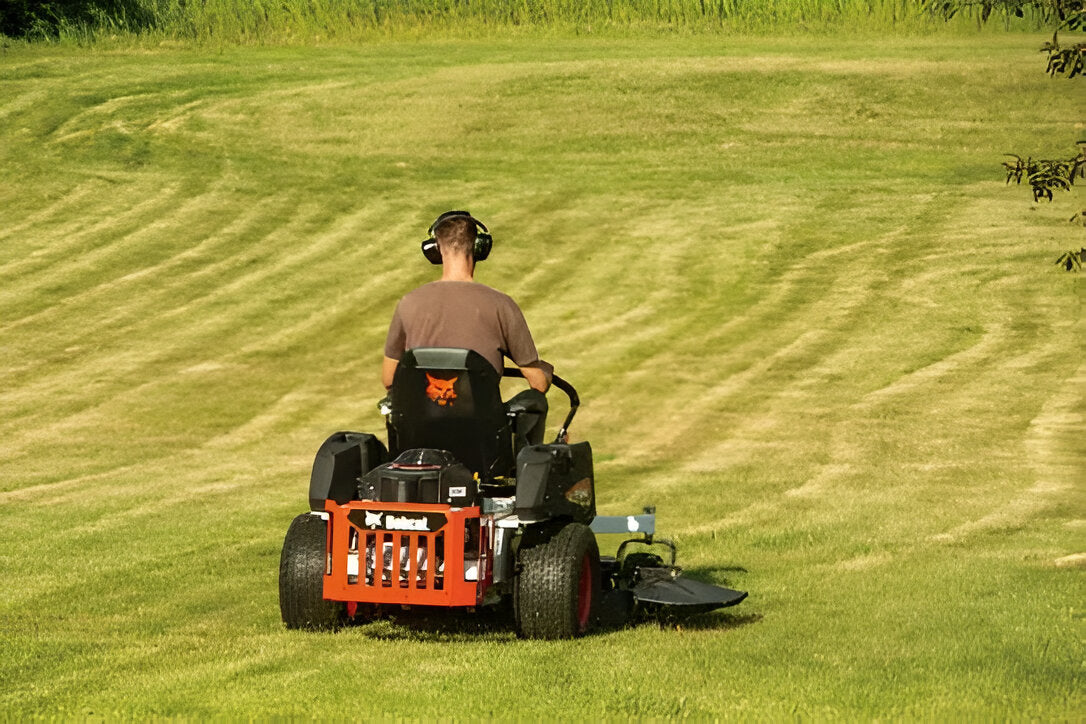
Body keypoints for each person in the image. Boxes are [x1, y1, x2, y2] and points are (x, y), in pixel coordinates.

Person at [382, 210, 552, 446]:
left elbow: (389, 379)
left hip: (420, 436)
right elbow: (537, 383)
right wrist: (546, 371)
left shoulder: (408, 302)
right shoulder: (500, 305)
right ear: (479, 248)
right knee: (536, 402)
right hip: (481, 440)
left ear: (435, 250)